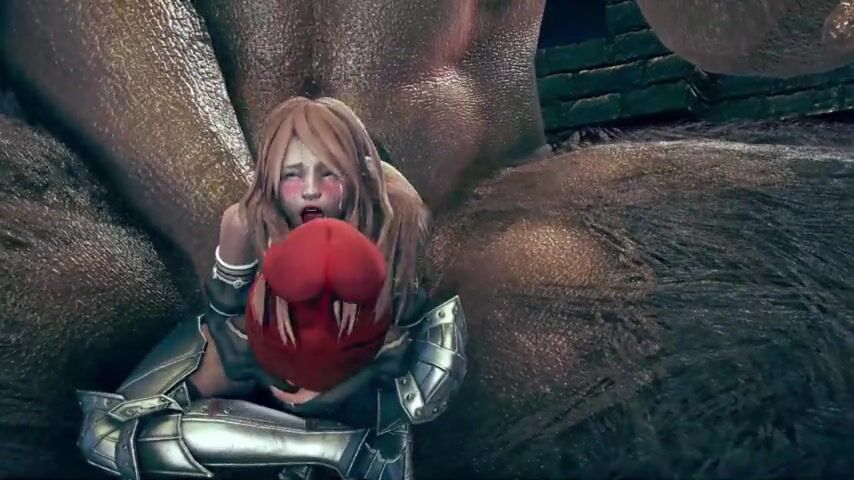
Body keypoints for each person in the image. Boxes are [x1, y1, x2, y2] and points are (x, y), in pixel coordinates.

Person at [76, 97, 467, 480]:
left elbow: (409, 347)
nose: (310, 190)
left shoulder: (394, 214)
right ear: (271, 178)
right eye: (293, 175)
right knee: (106, 435)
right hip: (263, 349)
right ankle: (336, 447)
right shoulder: (247, 222)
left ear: (355, 174)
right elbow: (226, 319)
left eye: (328, 174)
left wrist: (329, 388)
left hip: (359, 378)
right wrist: (265, 364)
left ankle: (346, 447)